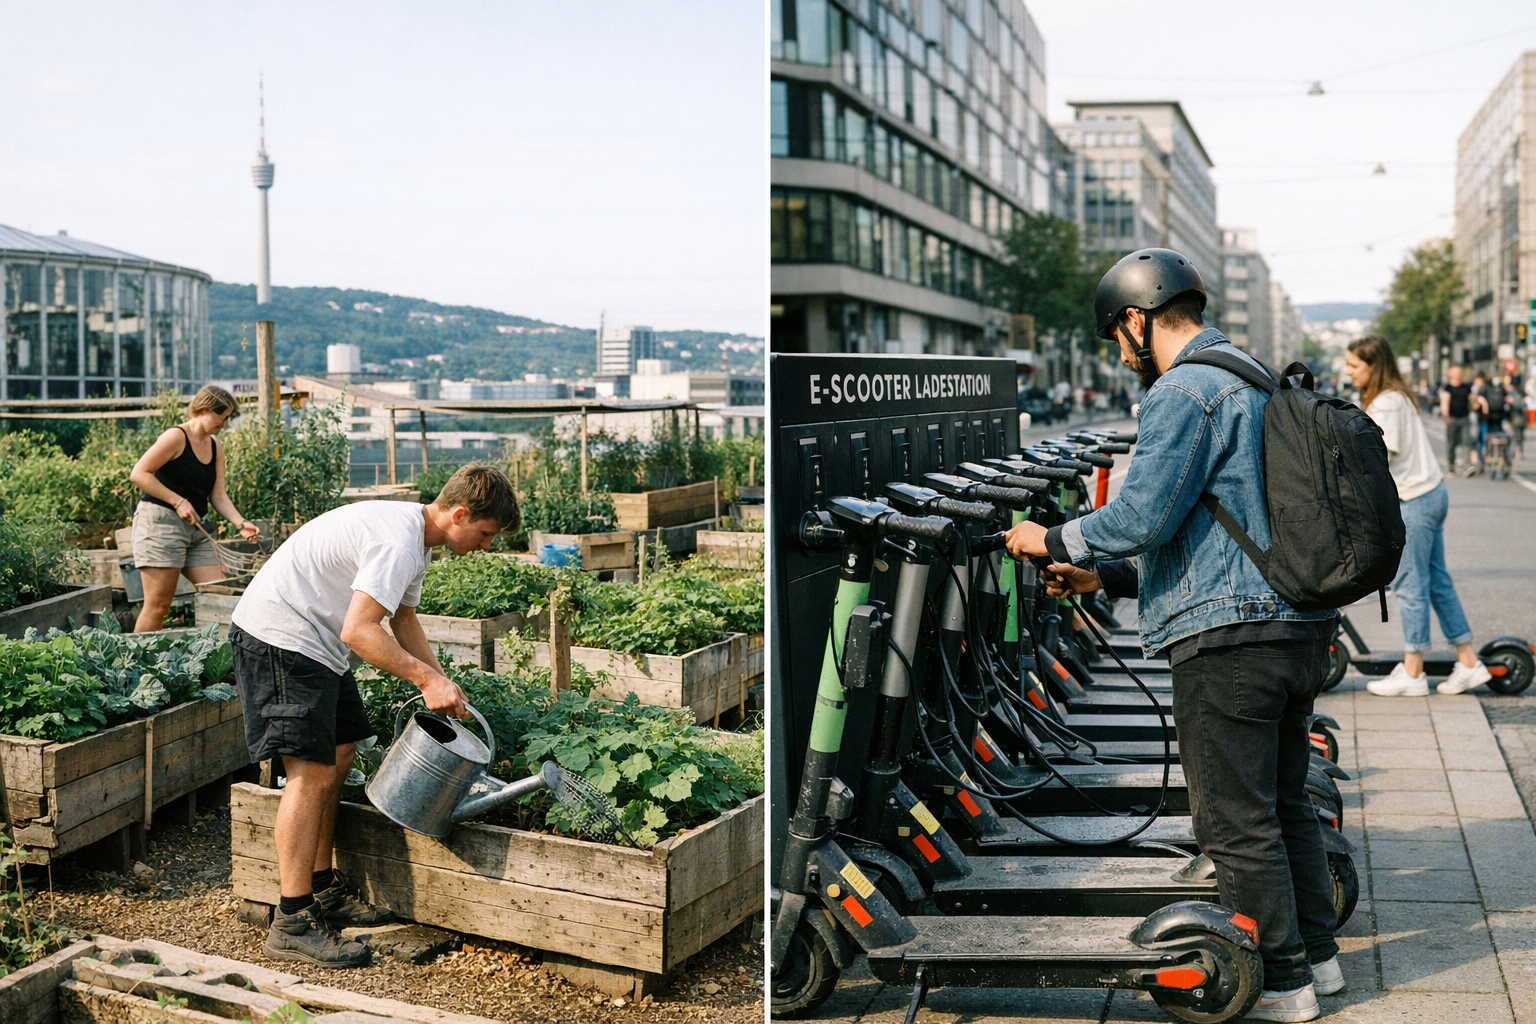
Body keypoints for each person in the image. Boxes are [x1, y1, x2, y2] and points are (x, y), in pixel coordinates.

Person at [1006, 248, 1342, 1022]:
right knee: (1282, 804)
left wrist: (1049, 540)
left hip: (1230, 642)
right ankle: (1320, 962)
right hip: (1295, 624)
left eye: (1116, 338)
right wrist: (1106, 578)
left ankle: (1283, 984)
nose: (1121, 355)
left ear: (1137, 317)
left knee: (1233, 819)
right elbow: (1217, 524)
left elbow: (1144, 515)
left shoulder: (1183, 389)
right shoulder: (1251, 374)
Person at [230, 464, 520, 967]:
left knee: (341, 754)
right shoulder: (399, 542)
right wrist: (425, 681)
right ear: (459, 514)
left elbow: (402, 620)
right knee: (309, 774)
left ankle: (321, 888)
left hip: (315, 645)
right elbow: (360, 631)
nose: (486, 545)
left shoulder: (418, 540)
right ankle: (292, 921)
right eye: (486, 533)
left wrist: (443, 681)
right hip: (281, 637)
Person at [1343, 337, 1492, 697]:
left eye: (1354, 366)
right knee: (1437, 582)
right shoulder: (1397, 396)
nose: (1348, 372)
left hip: (1414, 500)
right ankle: (1469, 662)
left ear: (1374, 366)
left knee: (1410, 586)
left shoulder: (1387, 403)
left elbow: (1381, 458)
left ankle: (1413, 673)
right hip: (1430, 492)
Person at [127, 386, 261, 633]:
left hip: (197, 531)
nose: (226, 424)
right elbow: (139, 473)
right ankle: (135, 656)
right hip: (161, 525)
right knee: (159, 606)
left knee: (218, 594)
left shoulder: (216, 447)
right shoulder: (176, 437)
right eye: (223, 417)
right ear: (205, 410)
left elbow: (218, 495)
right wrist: (178, 501)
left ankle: (217, 654)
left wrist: (241, 523)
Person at [1439, 366, 1473, 473]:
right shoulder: (1447, 387)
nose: (1458, 374)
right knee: (1451, 443)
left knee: (1466, 441)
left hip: (1464, 417)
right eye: (1456, 372)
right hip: (1452, 418)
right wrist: (1445, 415)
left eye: (1459, 372)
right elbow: (1445, 402)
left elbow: (1472, 400)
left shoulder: (1466, 387)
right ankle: (1451, 465)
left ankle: (1467, 465)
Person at [1506, 377, 1526, 461]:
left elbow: (1520, 405)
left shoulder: (1519, 393)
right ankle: (1517, 452)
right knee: (1516, 435)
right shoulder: (1514, 393)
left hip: (1518, 417)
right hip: (1514, 416)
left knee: (1518, 435)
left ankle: (1518, 451)